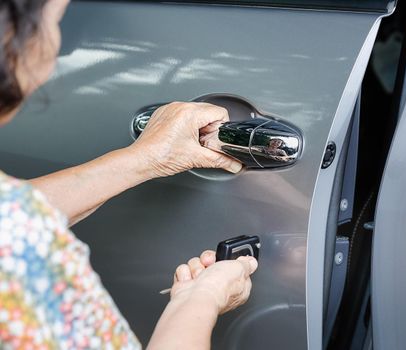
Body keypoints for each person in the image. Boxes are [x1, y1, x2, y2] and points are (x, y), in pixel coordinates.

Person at [0, 0, 258, 348]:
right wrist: (200, 300)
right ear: (13, 39)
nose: (61, 44)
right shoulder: (21, 256)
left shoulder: (17, 226)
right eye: (56, 20)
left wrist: (145, 159)